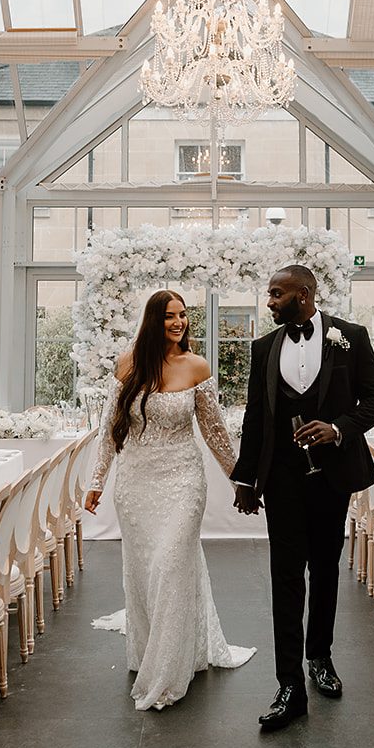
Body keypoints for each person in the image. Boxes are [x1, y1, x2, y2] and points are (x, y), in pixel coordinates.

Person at [233, 266, 374, 732]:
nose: (269, 302)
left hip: (332, 477)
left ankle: (320, 657)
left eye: (276, 294)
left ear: (303, 295)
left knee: (325, 569)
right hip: (281, 478)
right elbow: (255, 416)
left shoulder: (351, 336)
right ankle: (288, 686)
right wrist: (246, 480)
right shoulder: (264, 348)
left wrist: (339, 428)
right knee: (284, 576)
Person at [85, 290, 255, 710]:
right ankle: (152, 652)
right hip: (136, 482)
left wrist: (242, 482)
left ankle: (166, 672)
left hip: (182, 481)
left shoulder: (197, 367)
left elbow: (216, 434)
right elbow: (111, 428)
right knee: (144, 572)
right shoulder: (128, 365)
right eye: (168, 317)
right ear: (152, 322)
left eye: (182, 316)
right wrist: (96, 481)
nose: (178, 323)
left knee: (171, 564)